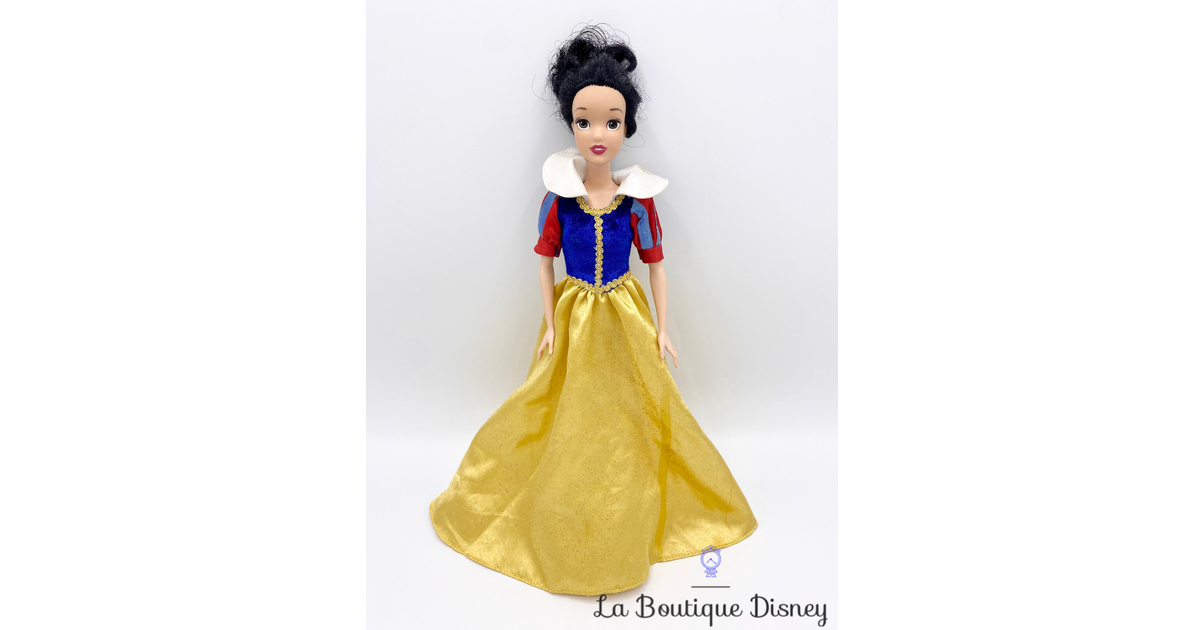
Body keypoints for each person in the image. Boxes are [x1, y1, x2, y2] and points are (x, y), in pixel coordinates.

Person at [429, 25, 757, 596]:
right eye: (585, 121)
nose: (598, 133)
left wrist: (663, 330)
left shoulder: (638, 203)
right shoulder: (559, 200)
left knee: (635, 408)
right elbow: (543, 263)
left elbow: (656, 265)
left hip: (625, 314)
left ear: (627, 126)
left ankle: (630, 498)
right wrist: (550, 324)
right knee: (557, 405)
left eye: (611, 121)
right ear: (571, 124)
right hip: (574, 315)